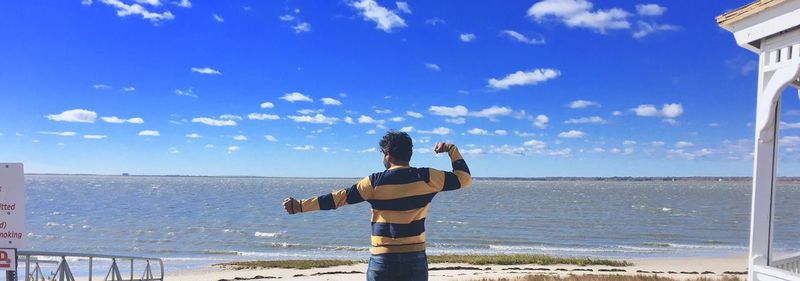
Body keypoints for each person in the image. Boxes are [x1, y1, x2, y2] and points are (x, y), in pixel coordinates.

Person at [282, 130, 472, 281]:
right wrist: (450, 148)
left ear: (387, 155)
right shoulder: (428, 178)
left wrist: (299, 206)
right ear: (409, 154)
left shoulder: (375, 182)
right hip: (415, 257)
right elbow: (464, 179)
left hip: (383, 258)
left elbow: (337, 199)